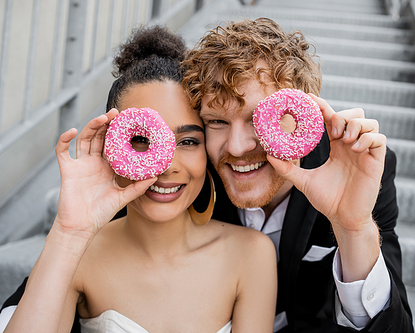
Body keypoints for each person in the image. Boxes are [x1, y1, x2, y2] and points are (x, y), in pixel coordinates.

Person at [1, 25, 277, 332]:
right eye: (140, 140)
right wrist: (68, 233)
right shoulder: (76, 255)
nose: (166, 165)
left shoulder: (252, 254)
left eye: (187, 141)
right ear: (108, 145)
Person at [180, 18, 413, 332]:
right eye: (217, 122)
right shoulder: (189, 174)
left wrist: (353, 229)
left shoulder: (360, 172)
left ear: (305, 114)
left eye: (258, 118)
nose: (235, 147)